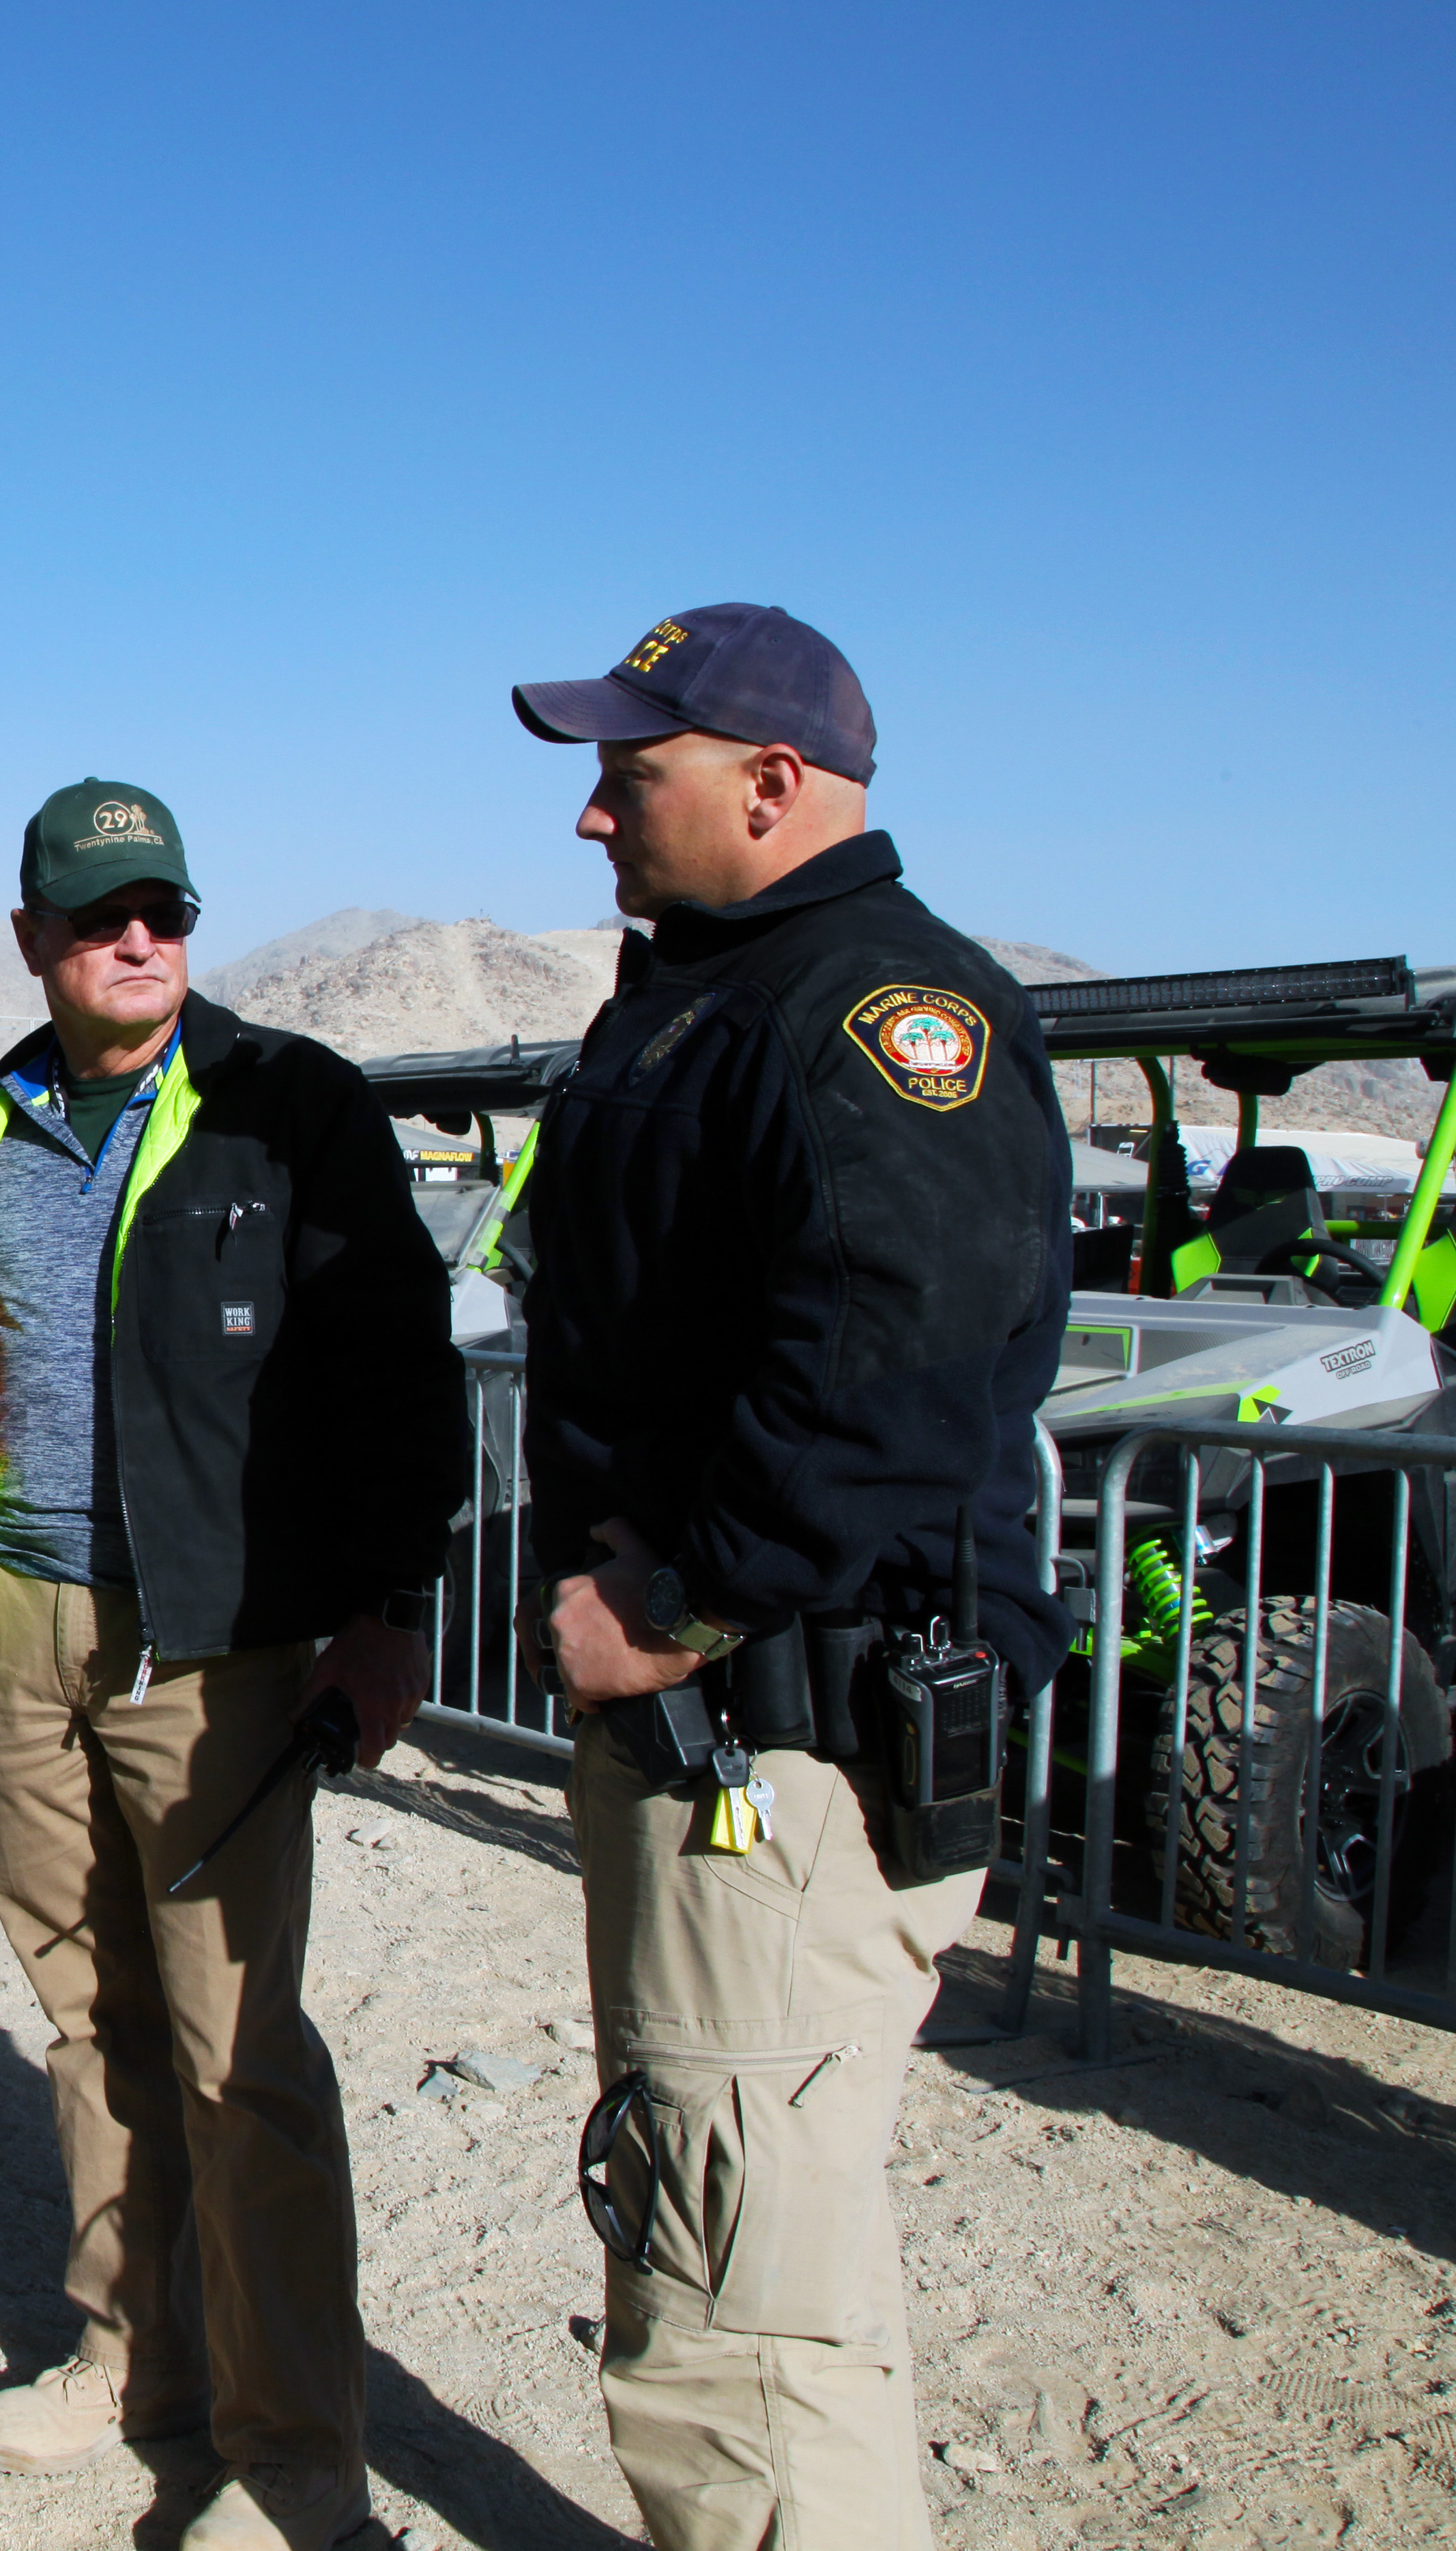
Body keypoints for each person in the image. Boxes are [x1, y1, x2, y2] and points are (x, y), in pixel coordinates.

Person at [0, 781, 463, 2551]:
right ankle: (130, 2363)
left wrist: (387, 1605)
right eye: (104, 915)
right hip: (19, 1636)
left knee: (237, 2049)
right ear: (34, 938)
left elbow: (399, 1367)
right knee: (84, 2019)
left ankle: (295, 2459)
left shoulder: (286, 1109)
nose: (140, 940)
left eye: (167, 913)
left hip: (215, 1649)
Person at [508, 607, 1069, 2551]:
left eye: (627, 774)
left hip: (787, 1743)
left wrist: (676, 1604)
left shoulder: (872, 1017)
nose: (591, 817)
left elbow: (888, 1381)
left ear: (771, 784)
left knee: (728, 2312)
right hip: (724, 1736)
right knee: (774, 2273)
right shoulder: (715, 996)